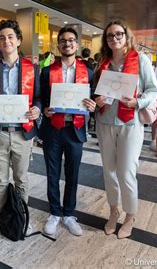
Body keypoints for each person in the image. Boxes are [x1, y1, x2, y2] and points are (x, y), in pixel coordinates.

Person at [94, 20, 157, 239]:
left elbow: (153, 90)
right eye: (110, 36)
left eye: (118, 34)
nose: (114, 38)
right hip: (105, 123)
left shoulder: (140, 60)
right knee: (108, 171)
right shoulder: (103, 63)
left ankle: (130, 215)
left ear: (126, 35)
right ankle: (114, 211)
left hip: (130, 122)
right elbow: (96, 93)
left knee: (126, 172)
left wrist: (137, 102)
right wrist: (98, 100)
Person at [0, 19, 41, 237]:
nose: (6, 41)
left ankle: (22, 218)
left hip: (22, 133)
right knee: (0, 181)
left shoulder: (32, 70)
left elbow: (40, 98)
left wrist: (37, 109)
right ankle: (1, 219)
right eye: (2, 38)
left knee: (21, 180)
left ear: (19, 40)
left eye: (10, 37)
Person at [40, 26, 96, 237]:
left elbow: (96, 98)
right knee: (52, 174)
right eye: (63, 40)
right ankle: (54, 213)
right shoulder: (47, 71)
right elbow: (42, 98)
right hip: (53, 129)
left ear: (77, 44)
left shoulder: (88, 72)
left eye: (71, 40)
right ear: (58, 45)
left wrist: (93, 106)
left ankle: (69, 214)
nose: (67, 43)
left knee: (73, 174)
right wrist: (44, 109)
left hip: (75, 129)